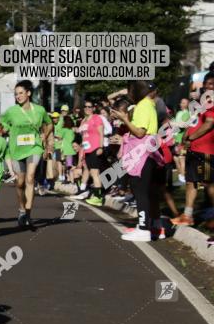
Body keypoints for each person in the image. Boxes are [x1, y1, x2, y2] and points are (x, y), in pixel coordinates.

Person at [109, 81, 165, 241]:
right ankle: (151, 226)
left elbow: (140, 132)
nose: (129, 94)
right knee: (146, 192)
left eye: (130, 90)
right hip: (147, 153)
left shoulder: (143, 106)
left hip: (142, 156)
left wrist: (125, 119)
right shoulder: (148, 105)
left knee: (140, 191)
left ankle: (143, 229)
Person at [0, 80, 52, 229]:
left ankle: (28, 214)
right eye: (16, 94)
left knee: (30, 178)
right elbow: (2, 125)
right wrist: (2, 130)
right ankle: (22, 209)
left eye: (21, 93)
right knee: (20, 183)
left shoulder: (40, 110)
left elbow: (49, 123)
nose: (18, 96)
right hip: (16, 151)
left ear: (29, 93)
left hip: (34, 147)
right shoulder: (11, 112)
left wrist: (45, 135)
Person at [172, 74, 214, 227]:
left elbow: (209, 123)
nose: (208, 86)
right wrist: (185, 138)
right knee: (191, 181)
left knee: (209, 183)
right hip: (194, 149)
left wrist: (191, 138)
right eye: (207, 83)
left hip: (206, 150)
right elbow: (194, 121)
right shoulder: (203, 101)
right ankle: (187, 216)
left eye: (212, 84)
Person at [78, 100, 106, 206]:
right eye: (85, 106)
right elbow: (83, 138)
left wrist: (100, 147)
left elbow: (101, 133)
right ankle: (96, 196)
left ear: (93, 108)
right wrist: (82, 153)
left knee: (95, 173)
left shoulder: (96, 118)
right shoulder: (83, 120)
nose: (87, 108)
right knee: (92, 172)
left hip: (95, 148)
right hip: (87, 150)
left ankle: (98, 198)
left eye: (90, 107)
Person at [173, 98, 191, 183]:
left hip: (182, 138)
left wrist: (173, 124)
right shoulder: (179, 113)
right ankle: (181, 174)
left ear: (188, 104)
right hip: (176, 138)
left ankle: (182, 175)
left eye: (184, 103)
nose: (182, 104)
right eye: (181, 102)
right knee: (176, 157)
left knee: (181, 158)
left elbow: (182, 125)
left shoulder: (187, 113)